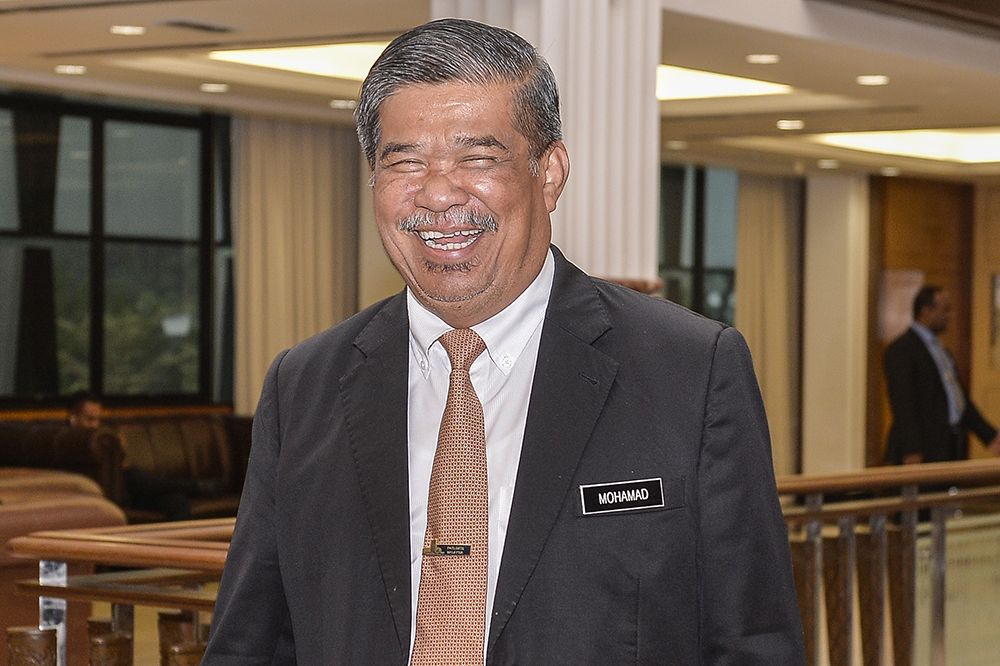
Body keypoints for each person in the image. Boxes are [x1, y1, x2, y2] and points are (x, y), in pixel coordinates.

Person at [204, 18, 804, 664]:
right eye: (404, 160)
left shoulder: (690, 372)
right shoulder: (304, 387)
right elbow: (251, 646)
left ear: (549, 174)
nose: (437, 192)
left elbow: (754, 644)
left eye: (477, 158)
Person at [885, 285, 1000, 464]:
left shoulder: (942, 351)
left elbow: (959, 400)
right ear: (926, 311)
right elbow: (903, 404)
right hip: (923, 449)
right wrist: (912, 449)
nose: (949, 316)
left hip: (950, 445)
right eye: (945, 309)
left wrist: (989, 435)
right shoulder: (902, 350)